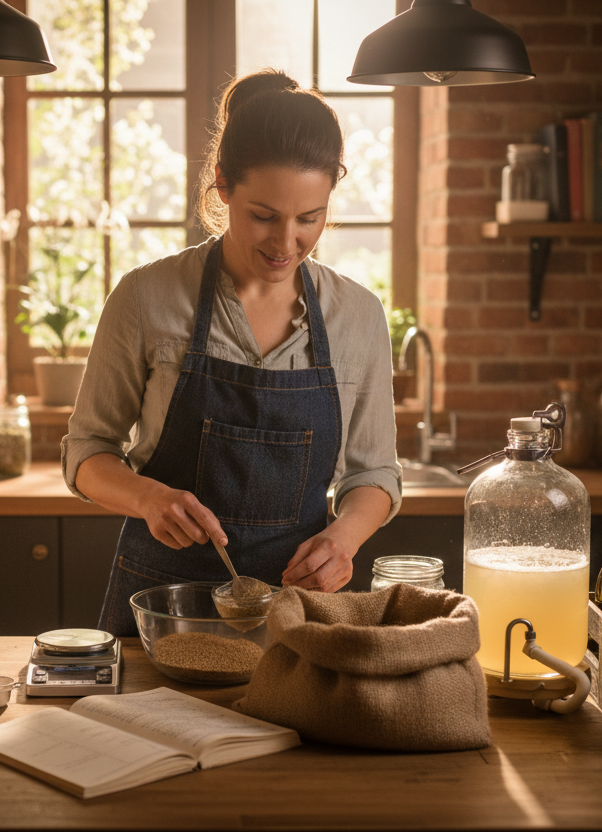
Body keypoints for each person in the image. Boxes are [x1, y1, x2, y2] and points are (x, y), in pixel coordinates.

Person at [61, 69, 402, 637]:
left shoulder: (357, 316)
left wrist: (344, 540)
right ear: (223, 186)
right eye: (263, 216)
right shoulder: (147, 297)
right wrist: (147, 497)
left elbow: (375, 474)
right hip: (160, 612)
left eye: (309, 219)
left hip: (297, 616)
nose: (285, 241)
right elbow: (86, 452)